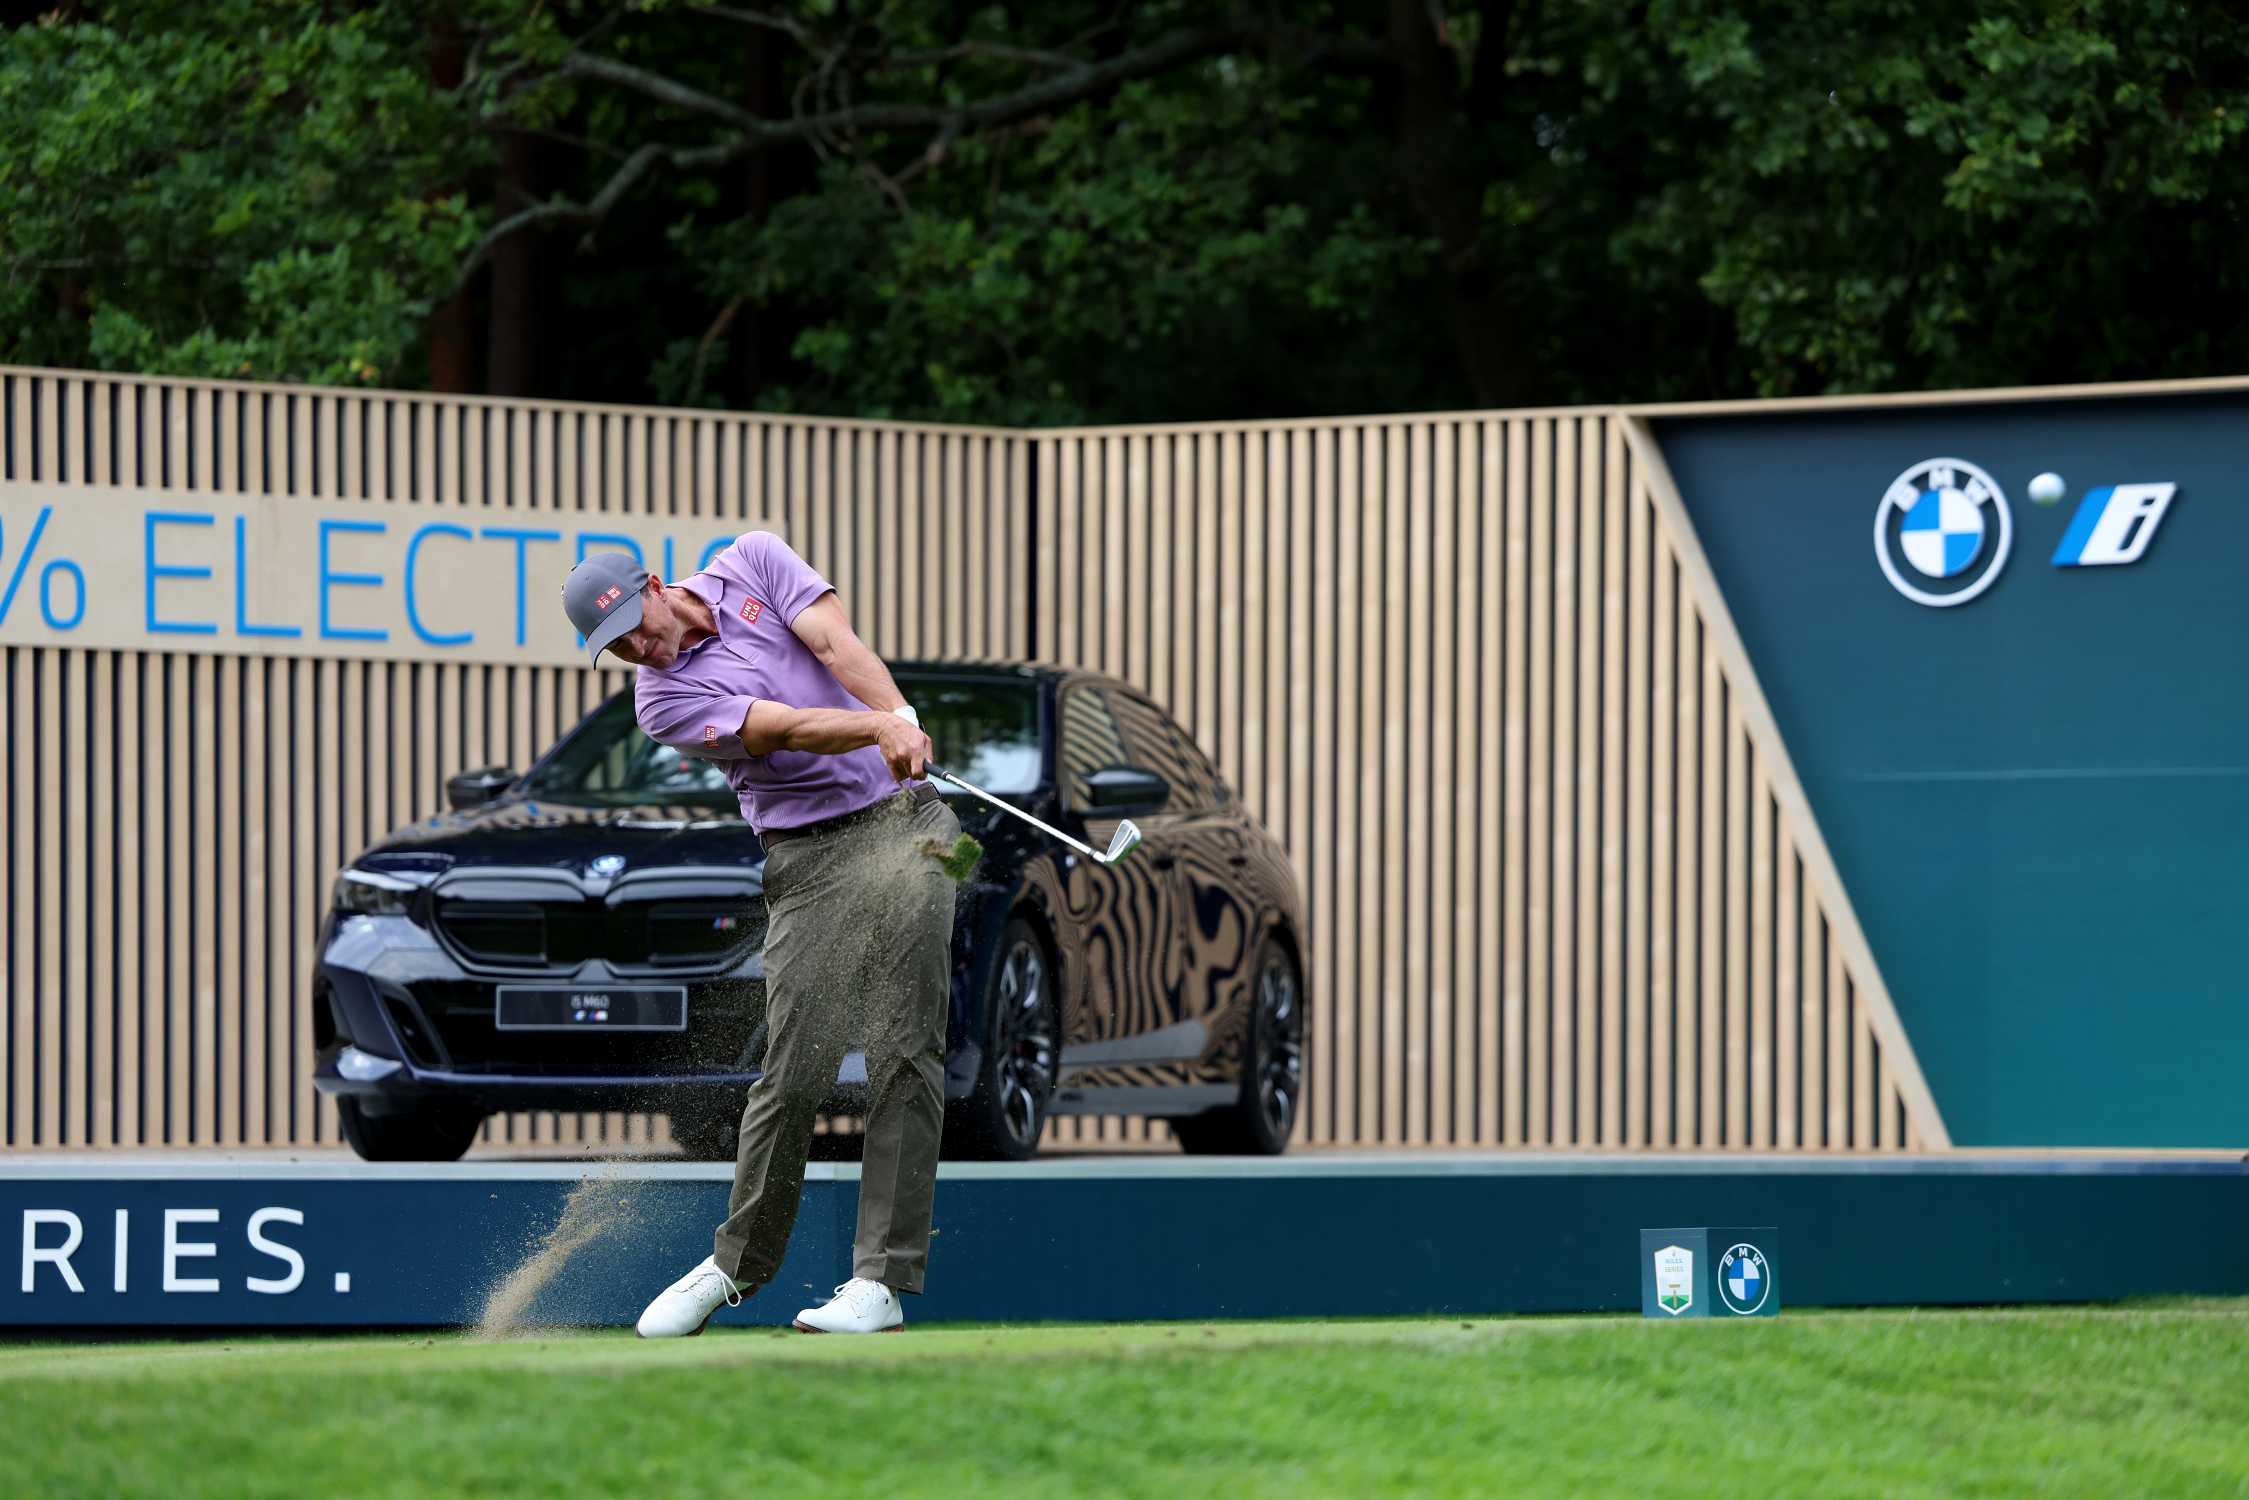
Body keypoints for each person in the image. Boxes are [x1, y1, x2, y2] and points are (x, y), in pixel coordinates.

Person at [560, 532, 962, 1336]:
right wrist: (874, 732)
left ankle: (879, 1284)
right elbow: (781, 728)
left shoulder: (753, 559)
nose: (640, 648)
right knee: (792, 1068)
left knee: (905, 1045)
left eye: (636, 626)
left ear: (655, 585)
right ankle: (734, 1266)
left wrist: (900, 716)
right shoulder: (659, 701)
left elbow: (835, 644)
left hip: (913, 827)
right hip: (807, 858)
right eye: (619, 648)